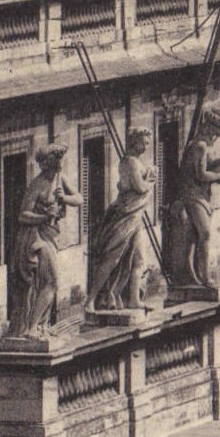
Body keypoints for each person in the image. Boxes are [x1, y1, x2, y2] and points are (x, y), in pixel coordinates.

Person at [6, 143, 82, 338]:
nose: (60, 163)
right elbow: (23, 215)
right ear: (46, 163)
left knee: (47, 282)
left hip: (51, 236)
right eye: (56, 159)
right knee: (51, 281)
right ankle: (32, 327)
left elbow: (79, 199)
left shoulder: (59, 179)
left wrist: (64, 198)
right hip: (35, 238)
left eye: (60, 159)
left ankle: (39, 326)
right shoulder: (37, 185)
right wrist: (45, 217)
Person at [165, 105, 220, 291]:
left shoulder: (206, 145)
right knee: (205, 233)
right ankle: (205, 277)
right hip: (191, 194)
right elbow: (201, 175)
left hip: (202, 195)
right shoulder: (200, 146)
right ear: (211, 127)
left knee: (194, 236)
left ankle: (190, 273)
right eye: (219, 131)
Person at [87, 129, 157, 312]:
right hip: (125, 216)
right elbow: (140, 188)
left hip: (136, 218)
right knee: (113, 257)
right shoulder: (130, 162)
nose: (146, 146)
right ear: (134, 142)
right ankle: (91, 299)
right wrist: (151, 179)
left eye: (148, 142)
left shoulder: (137, 162)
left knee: (139, 259)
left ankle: (134, 299)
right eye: (144, 142)